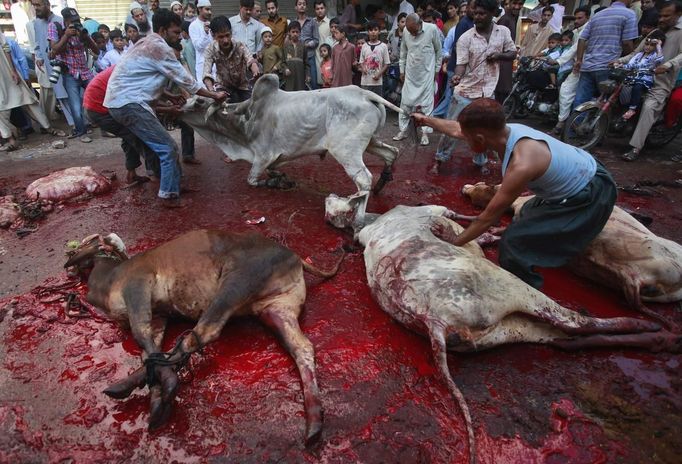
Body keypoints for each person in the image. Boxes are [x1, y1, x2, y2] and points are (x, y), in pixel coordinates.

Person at [413, 98, 617, 290]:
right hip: (582, 172)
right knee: (525, 212)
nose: (464, 140)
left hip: (592, 193)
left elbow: (488, 219)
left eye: (467, 139)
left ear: (480, 138)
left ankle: (528, 293)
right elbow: (458, 129)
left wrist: (453, 244)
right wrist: (426, 120)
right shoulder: (503, 131)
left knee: (513, 245)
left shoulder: (522, 163)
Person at [104, 8, 227, 206]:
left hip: (121, 102)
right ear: (162, 30)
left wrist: (169, 95)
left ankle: (173, 185)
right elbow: (188, 82)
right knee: (168, 148)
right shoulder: (159, 47)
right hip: (129, 103)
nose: (180, 36)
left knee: (157, 147)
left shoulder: (146, 42)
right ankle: (169, 195)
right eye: (176, 32)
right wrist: (213, 95)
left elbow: (143, 80)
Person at [432, 0, 515, 171]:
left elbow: (512, 52)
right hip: (465, 91)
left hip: (488, 91)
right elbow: (461, 63)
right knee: (452, 128)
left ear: (493, 13)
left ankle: (481, 161)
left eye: (482, 13)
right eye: (475, 13)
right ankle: (440, 159)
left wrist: (499, 55)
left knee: (483, 131)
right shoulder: (465, 37)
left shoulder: (503, 32)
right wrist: (457, 76)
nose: (477, 17)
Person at [619, 0, 682, 161]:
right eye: (660, 15)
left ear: (678, 15)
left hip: (661, 81)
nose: (661, 19)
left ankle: (636, 147)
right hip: (641, 75)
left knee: (649, 107)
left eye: (666, 16)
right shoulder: (655, 31)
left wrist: (667, 65)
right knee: (620, 91)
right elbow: (636, 52)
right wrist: (619, 61)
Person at [84, 66, 155, 183]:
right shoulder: (132, 70)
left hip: (96, 106)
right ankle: (156, 174)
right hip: (99, 109)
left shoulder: (129, 66)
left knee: (129, 136)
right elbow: (141, 101)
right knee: (140, 136)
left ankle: (132, 173)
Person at [0, 30, 63, 152]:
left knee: (29, 100)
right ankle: (10, 139)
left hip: (7, 72)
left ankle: (48, 127)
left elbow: (6, 48)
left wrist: (13, 71)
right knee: (1, 108)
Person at [572, 0, 638, 108]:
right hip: (608, 65)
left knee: (581, 100)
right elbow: (627, 43)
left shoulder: (598, 15)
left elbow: (582, 39)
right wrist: (631, 58)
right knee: (607, 103)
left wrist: (579, 60)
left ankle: (575, 124)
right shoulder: (629, 14)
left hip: (588, 65)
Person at [48, 7, 99, 143]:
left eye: (77, 20)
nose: (76, 23)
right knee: (75, 105)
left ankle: (106, 127)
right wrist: (66, 35)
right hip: (69, 72)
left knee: (99, 95)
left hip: (85, 71)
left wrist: (85, 37)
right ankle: (81, 132)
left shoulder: (81, 29)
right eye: (73, 21)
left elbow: (96, 50)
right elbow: (55, 49)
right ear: (65, 20)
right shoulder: (55, 26)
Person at [393, 13, 442, 145]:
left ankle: (425, 133)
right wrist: (402, 71)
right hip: (410, 74)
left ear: (420, 23)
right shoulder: (406, 32)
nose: (412, 34)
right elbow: (403, 54)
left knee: (427, 105)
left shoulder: (432, 29)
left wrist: (436, 71)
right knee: (405, 103)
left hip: (427, 75)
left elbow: (439, 52)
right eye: (410, 32)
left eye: (414, 31)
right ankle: (403, 130)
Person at [27, 0, 74, 128]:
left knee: (70, 91)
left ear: (47, 5)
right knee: (60, 94)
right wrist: (39, 56)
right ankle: (74, 123)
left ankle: (81, 121)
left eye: (38, 5)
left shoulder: (59, 21)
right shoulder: (36, 23)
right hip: (49, 64)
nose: (36, 8)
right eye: (34, 5)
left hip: (65, 63)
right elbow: (37, 42)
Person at [552, 5, 590, 135]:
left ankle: (570, 126)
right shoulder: (575, 32)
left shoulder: (587, 30)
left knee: (579, 98)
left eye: (580, 18)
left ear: (588, 17)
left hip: (586, 67)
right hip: (576, 67)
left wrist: (558, 61)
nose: (577, 21)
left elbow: (574, 49)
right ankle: (562, 122)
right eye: (576, 18)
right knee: (565, 91)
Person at [203, 15, 257, 101]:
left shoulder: (240, 46)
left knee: (253, 107)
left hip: (243, 86)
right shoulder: (210, 49)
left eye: (227, 35)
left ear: (231, 32)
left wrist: (255, 71)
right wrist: (212, 92)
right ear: (213, 35)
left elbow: (250, 60)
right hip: (223, 87)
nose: (226, 40)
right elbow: (206, 74)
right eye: (221, 37)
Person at [436, 0, 474, 117]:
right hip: (457, 66)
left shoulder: (471, 23)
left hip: (461, 66)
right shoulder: (463, 24)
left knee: (452, 96)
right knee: (451, 96)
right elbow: (457, 47)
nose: (463, 14)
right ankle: (433, 117)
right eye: (462, 11)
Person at [616, 33, 665, 121]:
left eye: (652, 45)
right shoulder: (639, 55)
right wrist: (620, 65)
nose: (648, 47)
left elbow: (659, 59)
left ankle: (632, 109)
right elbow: (630, 65)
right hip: (632, 77)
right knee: (618, 86)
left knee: (637, 87)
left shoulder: (654, 56)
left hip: (644, 79)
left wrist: (658, 45)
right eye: (647, 44)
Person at [494, 0, 522, 103]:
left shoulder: (512, 19)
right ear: (509, 4)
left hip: (506, 61)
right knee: (499, 95)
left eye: (520, 4)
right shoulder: (505, 19)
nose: (517, 7)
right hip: (501, 63)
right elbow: (497, 45)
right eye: (514, 3)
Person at [359, 20, 390, 96]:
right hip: (365, 81)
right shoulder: (364, 46)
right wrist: (363, 68)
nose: (373, 32)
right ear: (368, 32)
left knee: (377, 103)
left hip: (377, 82)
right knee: (365, 103)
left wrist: (379, 74)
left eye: (375, 30)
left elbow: (387, 64)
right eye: (371, 30)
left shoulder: (383, 46)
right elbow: (361, 62)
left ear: (379, 31)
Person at [294, 0, 320, 90]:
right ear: (296, 7)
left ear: (307, 7)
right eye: (299, 4)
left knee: (313, 83)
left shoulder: (312, 22)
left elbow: (316, 40)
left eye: (304, 4)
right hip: (297, 58)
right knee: (299, 84)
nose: (302, 6)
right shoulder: (293, 22)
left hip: (310, 57)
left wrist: (307, 45)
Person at [189, 0, 213, 86]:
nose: (210, 12)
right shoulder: (193, 26)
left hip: (215, 66)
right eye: (207, 9)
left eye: (210, 9)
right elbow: (198, 46)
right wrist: (205, 33)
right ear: (199, 9)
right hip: (202, 65)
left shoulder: (211, 24)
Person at [283, 21, 309, 90]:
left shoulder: (303, 46)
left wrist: (308, 75)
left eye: (297, 32)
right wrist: (285, 69)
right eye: (293, 32)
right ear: (289, 33)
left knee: (300, 94)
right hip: (289, 77)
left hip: (300, 76)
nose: (295, 34)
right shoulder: (285, 46)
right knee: (289, 95)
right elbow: (282, 62)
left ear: (300, 33)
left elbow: (307, 63)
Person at [314, 1, 331, 88]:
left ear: (325, 9)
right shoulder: (312, 23)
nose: (320, 11)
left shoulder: (330, 24)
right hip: (315, 58)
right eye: (317, 9)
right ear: (314, 10)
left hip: (327, 60)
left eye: (322, 8)